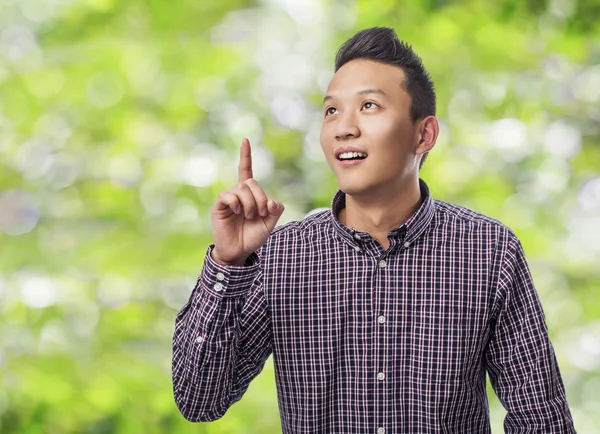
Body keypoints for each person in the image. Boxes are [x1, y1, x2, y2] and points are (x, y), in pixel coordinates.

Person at [171, 27, 575, 433]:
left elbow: (540, 419)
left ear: (424, 134)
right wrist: (228, 264)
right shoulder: (281, 255)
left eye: (368, 105)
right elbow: (199, 400)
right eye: (332, 111)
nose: (344, 128)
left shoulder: (488, 251)